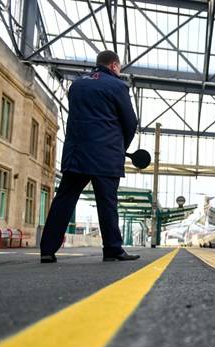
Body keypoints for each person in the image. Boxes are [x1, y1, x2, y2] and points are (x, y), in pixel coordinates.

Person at [40, 50, 140, 263]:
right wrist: (121, 147)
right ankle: (112, 249)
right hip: (106, 155)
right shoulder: (118, 86)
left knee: (64, 199)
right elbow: (131, 123)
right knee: (106, 202)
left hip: (77, 152)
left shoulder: (77, 85)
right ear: (114, 65)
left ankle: (47, 249)